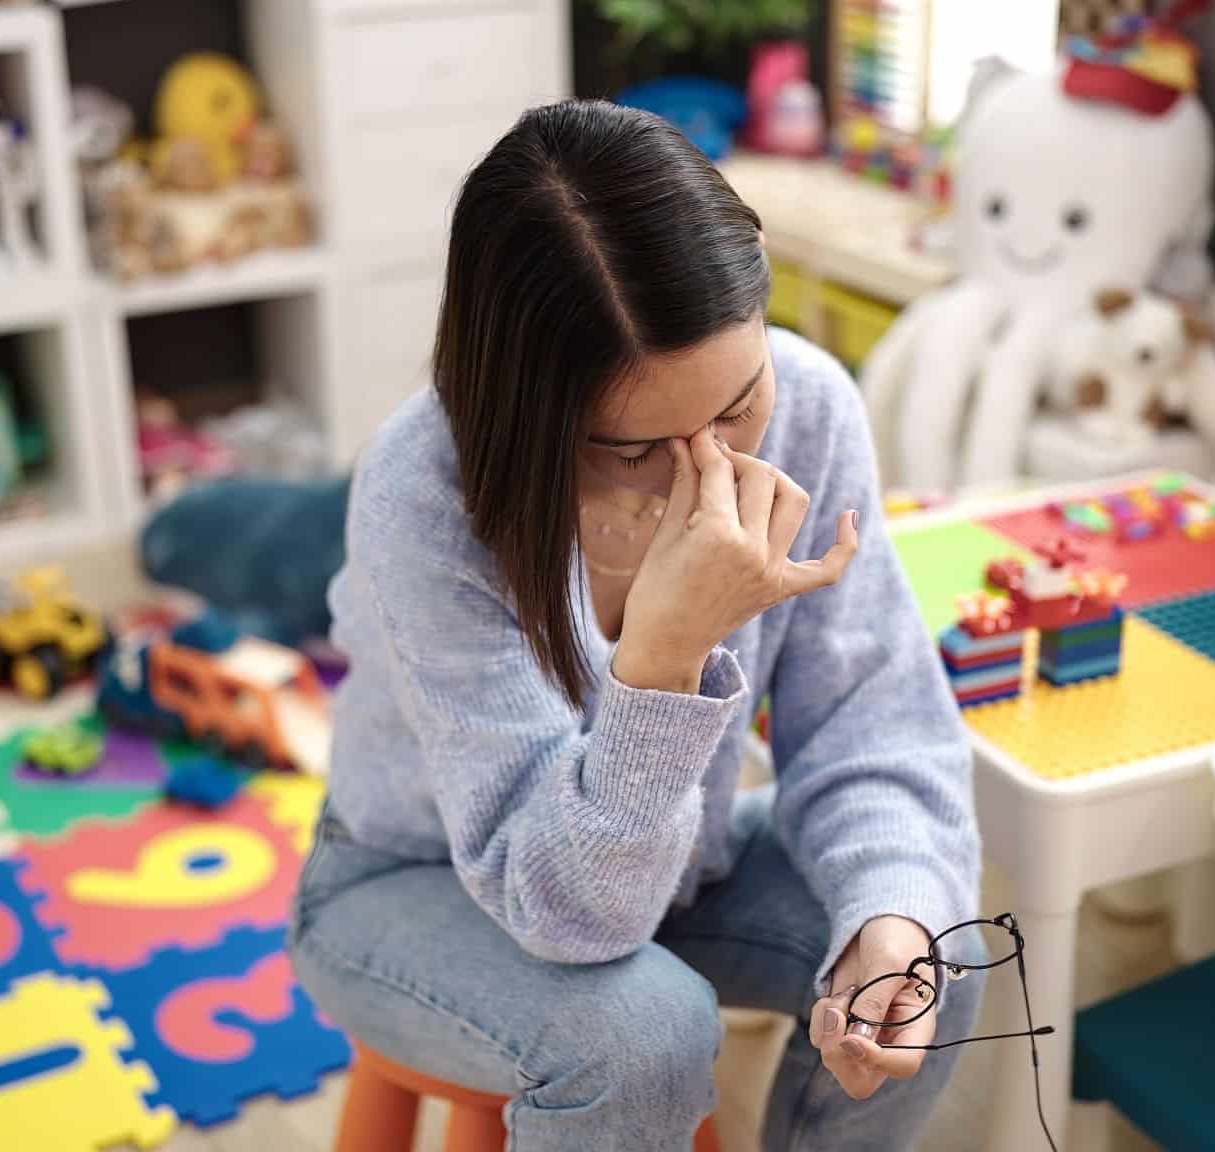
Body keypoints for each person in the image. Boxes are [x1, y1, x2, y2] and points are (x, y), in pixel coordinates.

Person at [290, 100, 980, 1151]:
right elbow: (566, 916)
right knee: (638, 1034)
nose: (706, 475)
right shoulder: (424, 493)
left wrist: (887, 910)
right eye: (633, 449)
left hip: (671, 870)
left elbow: (875, 731)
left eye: (738, 405)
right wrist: (662, 656)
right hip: (413, 883)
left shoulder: (808, 406)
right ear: (527, 406)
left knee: (930, 950)